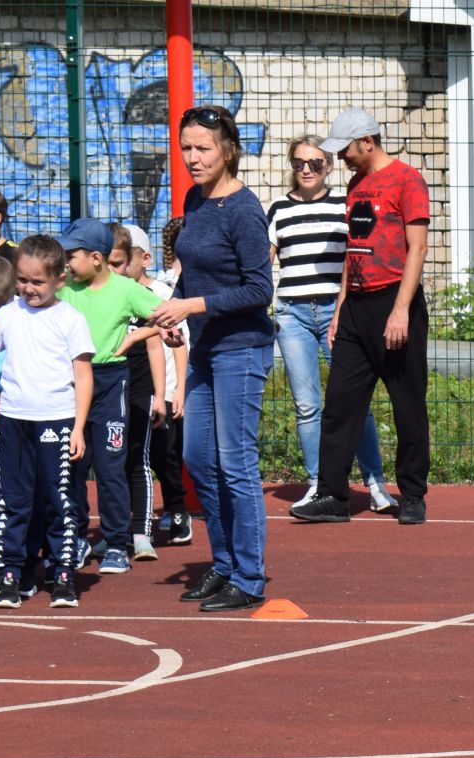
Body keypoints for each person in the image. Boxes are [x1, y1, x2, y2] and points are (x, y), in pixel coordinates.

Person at [150, 104, 276, 613]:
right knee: (197, 459)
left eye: (203, 148)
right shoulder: (193, 200)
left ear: (228, 151)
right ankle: (222, 566)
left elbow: (258, 289)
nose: (192, 158)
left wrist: (192, 306)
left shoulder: (245, 209)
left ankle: (248, 576)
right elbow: (195, 274)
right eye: (186, 148)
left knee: (236, 464)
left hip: (241, 349)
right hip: (201, 347)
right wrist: (178, 322)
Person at [290, 108, 433, 525]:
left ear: (367, 142)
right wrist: (339, 312)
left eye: (347, 150)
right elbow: (353, 253)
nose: (344, 158)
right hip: (353, 305)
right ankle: (333, 496)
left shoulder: (408, 180)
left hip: (395, 304)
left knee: (408, 405)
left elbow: (418, 250)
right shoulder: (355, 185)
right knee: (340, 404)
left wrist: (401, 310)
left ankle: (412, 495)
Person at [268, 135, 396, 513]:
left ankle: (374, 484)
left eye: (315, 163)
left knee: (356, 403)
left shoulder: (345, 204)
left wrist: (353, 306)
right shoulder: (277, 209)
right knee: (306, 405)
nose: (306, 170)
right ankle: (318, 484)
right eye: (298, 163)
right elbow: (263, 261)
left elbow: (358, 256)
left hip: (338, 313)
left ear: (328, 165)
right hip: (291, 313)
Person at [0, 234, 94, 609]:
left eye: (37, 281)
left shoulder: (70, 319)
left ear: (60, 279)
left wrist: (78, 427)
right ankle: (11, 571)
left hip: (56, 421)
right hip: (12, 421)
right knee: (13, 499)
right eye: (22, 280)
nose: (28, 288)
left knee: (60, 499)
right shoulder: (8, 314)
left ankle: (62, 571)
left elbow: (84, 375)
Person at [57, 217, 160, 577]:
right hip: (69, 383)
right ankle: (78, 537)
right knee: (71, 465)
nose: (66, 262)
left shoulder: (125, 289)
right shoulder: (64, 287)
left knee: (110, 464)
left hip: (111, 381)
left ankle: (117, 542)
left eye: (72, 254)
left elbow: (163, 316)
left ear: (97, 257)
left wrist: (133, 338)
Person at [108, 223, 170, 560]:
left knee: (137, 459)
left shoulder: (141, 297)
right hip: (104, 390)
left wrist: (160, 396)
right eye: (108, 264)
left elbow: (156, 346)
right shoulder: (92, 296)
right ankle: (112, 530)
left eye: (118, 264)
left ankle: (141, 532)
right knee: (107, 463)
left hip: (139, 390)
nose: (113, 271)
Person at [151, 216, 194, 547]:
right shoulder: (159, 284)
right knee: (160, 451)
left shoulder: (170, 287)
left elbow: (181, 339)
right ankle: (167, 508)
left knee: (184, 449)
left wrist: (179, 385)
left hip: (185, 375)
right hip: (156, 383)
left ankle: (179, 507)